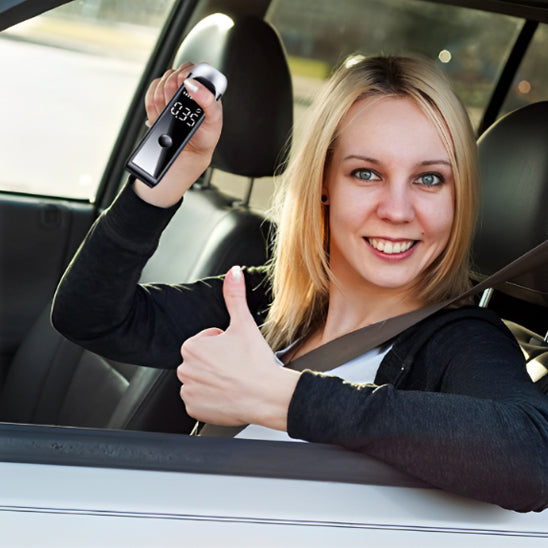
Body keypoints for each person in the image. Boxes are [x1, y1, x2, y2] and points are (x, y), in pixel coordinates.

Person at [51, 55, 548, 512]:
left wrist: (280, 397)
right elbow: (90, 316)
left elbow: (533, 461)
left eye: (429, 179)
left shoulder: (460, 341)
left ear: (459, 197)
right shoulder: (264, 303)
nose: (398, 211)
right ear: (324, 184)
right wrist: (162, 184)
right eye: (366, 174)